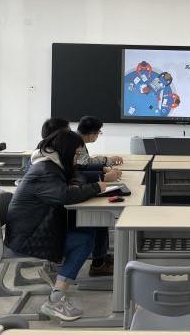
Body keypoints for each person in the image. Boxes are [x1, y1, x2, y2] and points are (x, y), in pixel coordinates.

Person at [5, 129, 106, 321]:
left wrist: (79, 184)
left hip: (35, 229)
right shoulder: (45, 171)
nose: (76, 159)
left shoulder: (49, 164)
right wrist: (96, 187)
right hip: (27, 238)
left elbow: (75, 176)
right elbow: (65, 196)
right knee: (84, 240)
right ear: (66, 151)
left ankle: (59, 278)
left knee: (87, 229)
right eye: (75, 154)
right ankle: (55, 300)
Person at [76, 115, 123, 276]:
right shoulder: (75, 143)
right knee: (100, 217)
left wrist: (103, 169)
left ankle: (101, 256)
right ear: (92, 134)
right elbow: (82, 166)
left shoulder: (75, 140)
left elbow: (83, 164)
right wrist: (103, 173)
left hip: (75, 192)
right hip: (69, 202)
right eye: (98, 133)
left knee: (101, 217)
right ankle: (98, 263)